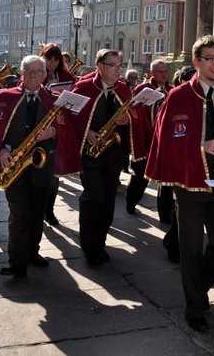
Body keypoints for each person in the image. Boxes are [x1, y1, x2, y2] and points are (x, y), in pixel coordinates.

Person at [146, 35, 214, 333]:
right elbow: (165, 140)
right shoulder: (178, 96)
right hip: (190, 184)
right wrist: (201, 145)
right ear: (196, 62)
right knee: (190, 248)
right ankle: (194, 305)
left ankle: (199, 288)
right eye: (211, 59)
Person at [0, 55, 77, 278]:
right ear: (21, 74)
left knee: (36, 214)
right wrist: (2, 151)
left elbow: (69, 131)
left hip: (42, 167)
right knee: (18, 214)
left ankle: (32, 252)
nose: (32, 76)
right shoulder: (4, 97)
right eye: (28, 71)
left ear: (45, 75)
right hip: (14, 164)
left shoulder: (55, 100)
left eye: (37, 72)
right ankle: (16, 261)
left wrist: (53, 132)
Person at [71, 49, 132, 267]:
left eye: (120, 65)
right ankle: (89, 246)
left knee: (107, 202)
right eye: (113, 65)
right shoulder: (84, 87)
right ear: (100, 66)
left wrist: (127, 121)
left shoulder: (123, 89)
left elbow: (133, 119)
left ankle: (100, 243)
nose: (118, 70)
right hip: (90, 155)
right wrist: (86, 132)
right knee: (93, 198)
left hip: (113, 155)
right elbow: (69, 118)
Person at [125, 59, 171, 216]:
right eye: (160, 72)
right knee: (140, 177)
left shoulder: (171, 90)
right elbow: (132, 111)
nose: (164, 75)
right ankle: (131, 202)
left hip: (165, 143)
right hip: (144, 140)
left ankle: (165, 213)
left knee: (166, 180)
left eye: (165, 71)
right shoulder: (141, 90)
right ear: (152, 73)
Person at [161, 64, 197, 263]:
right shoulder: (177, 97)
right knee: (180, 212)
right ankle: (174, 245)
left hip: (199, 165)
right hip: (181, 163)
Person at [39, 43, 77, 226]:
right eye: (48, 58)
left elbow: (75, 99)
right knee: (39, 177)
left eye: (55, 59)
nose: (52, 63)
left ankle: (49, 210)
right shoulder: (36, 72)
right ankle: (39, 210)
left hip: (58, 128)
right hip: (38, 127)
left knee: (54, 176)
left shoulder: (66, 76)